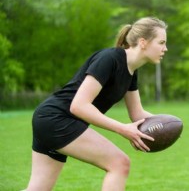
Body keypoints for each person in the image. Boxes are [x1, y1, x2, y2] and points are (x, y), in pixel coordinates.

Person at [24, 17, 168, 191]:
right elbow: (79, 105)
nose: (165, 48)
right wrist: (122, 128)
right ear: (143, 42)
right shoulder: (110, 58)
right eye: (161, 42)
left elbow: (137, 114)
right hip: (56, 118)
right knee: (119, 163)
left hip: (49, 120)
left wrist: (168, 123)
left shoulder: (131, 71)